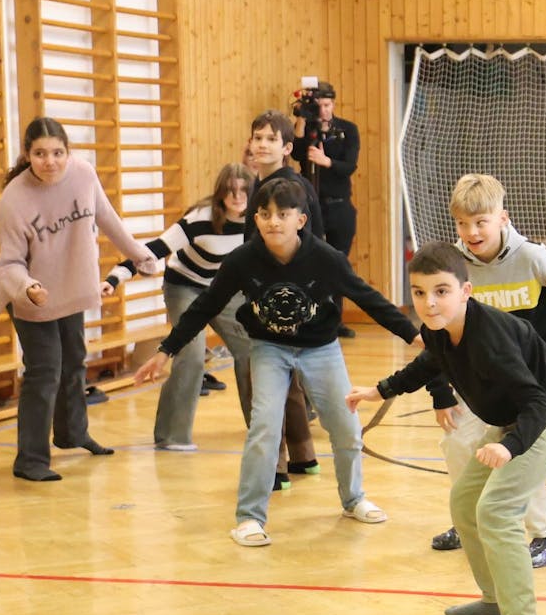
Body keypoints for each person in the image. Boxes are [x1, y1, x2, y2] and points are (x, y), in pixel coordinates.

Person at [135, 178, 419, 546]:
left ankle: (354, 498)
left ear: (300, 220)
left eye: (283, 215)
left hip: (320, 348)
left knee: (345, 427)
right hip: (269, 347)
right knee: (264, 428)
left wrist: (413, 334)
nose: (273, 222)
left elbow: (368, 298)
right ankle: (249, 517)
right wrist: (166, 350)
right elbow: (204, 306)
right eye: (265, 214)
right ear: (256, 219)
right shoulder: (242, 260)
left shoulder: (325, 258)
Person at [347, 243, 546, 615]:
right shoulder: (440, 331)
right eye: (419, 293)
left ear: (466, 291)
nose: (429, 303)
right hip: (514, 417)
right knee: (465, 501)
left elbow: (539, 404)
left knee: (497, 510)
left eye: (441, 291)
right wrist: (378, 390)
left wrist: (508, 446)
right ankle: (494, 598)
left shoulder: (489, 338)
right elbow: (426, 366)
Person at [427, 173, 546, 566]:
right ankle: (467, 519)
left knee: (518, 454)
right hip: (477, 376)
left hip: (529, 382)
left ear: (503, 218)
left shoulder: (531, 256)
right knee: (457, 443)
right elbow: (436, 329)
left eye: (481, 222)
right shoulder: (454, 265)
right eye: (463, 223)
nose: (472, 231)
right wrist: (441, 391)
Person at [0, 117, 160, 482]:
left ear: (68, 153)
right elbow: (8, 264)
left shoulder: (83, 174)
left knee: (74, 360)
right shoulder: (15, 198)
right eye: (40, 154)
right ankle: (30, 460)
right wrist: (29, 288)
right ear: (27, 155)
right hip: (30, 296)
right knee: (45, 370)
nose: (50, 161)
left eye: (57, 153)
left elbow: (107, 217)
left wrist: (138, 254)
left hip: (69, 288)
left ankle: (72, 433)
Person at [105, 163, 255, 451]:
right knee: (192, 351)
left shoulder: (256, 222)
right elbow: (152, 250)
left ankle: (262, 424)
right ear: (220, 194)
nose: (238, 198)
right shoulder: (201, 219)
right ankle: (171, 435)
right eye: (231, 191)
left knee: (251, 348)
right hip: (184, 286)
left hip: (222, 289)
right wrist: (116, 277)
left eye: (244, 191)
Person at [244, 118, 324, 487]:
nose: (262, 144)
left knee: (267, 383)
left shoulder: (292, 187)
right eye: (258, 138)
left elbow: (313, 242)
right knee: (285, 379)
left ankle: (274, 466)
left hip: (288, 298)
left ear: (287, 147)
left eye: (271, 139)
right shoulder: (258, 183)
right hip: (267, 294)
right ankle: (303, 455)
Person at [292, 81, 361, 338]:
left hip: (339, 206)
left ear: (334, 104)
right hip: (311, 206)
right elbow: (296, 154)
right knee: (309, 261)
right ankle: (311, 316)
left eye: (327, 105)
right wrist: (300, 119)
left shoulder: (347, 130)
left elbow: (349, 166)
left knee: (337, 262)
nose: (323, 111)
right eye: (319, 106)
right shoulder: (306, 130)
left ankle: (336, 318)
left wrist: (326, 161)